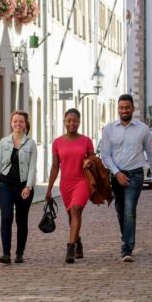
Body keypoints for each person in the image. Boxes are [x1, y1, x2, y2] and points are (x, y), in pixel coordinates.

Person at [98, 94, 152, 263]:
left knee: (129, 210)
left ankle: (127, 248)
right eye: (121, 107)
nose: (124, 110)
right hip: (116, 174)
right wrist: (117, 173)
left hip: (136, 174)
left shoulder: (142, 129)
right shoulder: (109, 129)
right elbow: (105, 154)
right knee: (120, 210)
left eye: (127, 107)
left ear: (133, 108)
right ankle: (126, 237)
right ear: (118, 109)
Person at [46, 108, 94, 264]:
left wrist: (89, 162)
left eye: (75, 120)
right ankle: (78, 242)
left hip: (82, 181)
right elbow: (55, 167)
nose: (72, 123)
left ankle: (70, 248)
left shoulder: (86, 141)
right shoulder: (58, 142)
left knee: (76, 210)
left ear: (79, 122)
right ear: (64, 122)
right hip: (66, 184)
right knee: (71, 216)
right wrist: (49, 188)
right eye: (69, 120)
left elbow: (94, 161)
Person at [0, 111, 38, 264]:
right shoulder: (3, 142)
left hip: (23, 187)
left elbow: (32, 167)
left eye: (21, 122)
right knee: (6, 217)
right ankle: (6, 254)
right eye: (15, 121)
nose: (18, 124)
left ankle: (19, 253)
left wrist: (29, 186)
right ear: (11, 124)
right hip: (4, 186)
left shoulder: (30, 143)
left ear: (26, 124)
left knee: (21, 220)